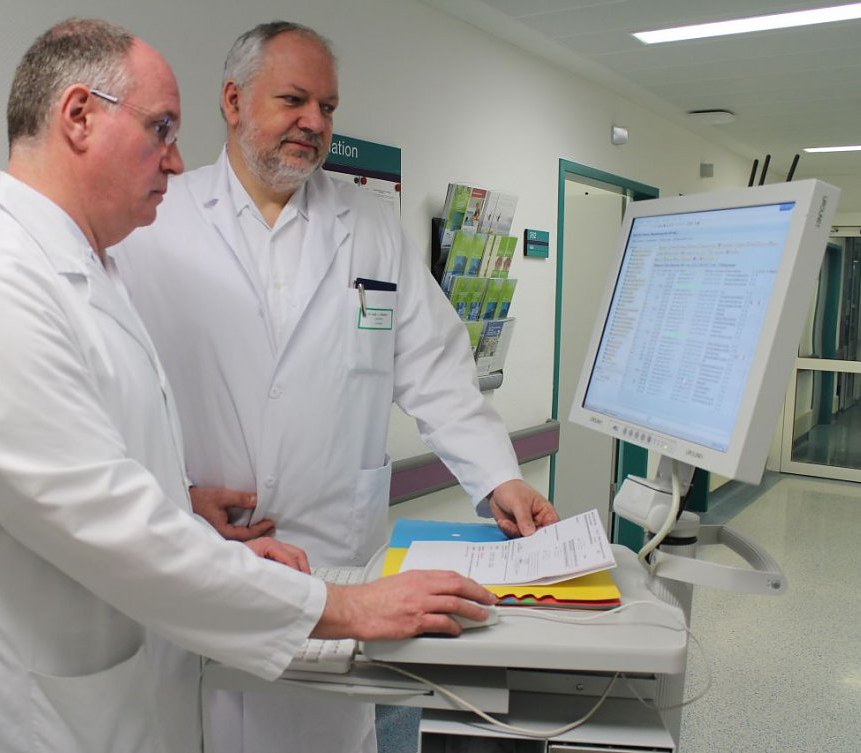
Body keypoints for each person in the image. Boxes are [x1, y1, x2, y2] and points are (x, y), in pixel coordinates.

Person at [0, 18, 498, 753]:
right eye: (160, 128)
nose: (174, 161)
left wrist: (184, 503)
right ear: (78, 116)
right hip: (28, 708)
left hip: (128, 659)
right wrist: (343, 604)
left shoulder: (82, 271)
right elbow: (109, 522)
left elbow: (99, 463)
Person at [113, 20, 560, 753]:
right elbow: (115, 392)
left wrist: (499, 478)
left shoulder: (371, 226)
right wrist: (172, 495)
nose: (314, 123)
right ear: (232, 100)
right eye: (293, 100)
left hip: (333, 559)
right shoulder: (159, 221)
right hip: (211, 560)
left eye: (327, 107)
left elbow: (437, 370)